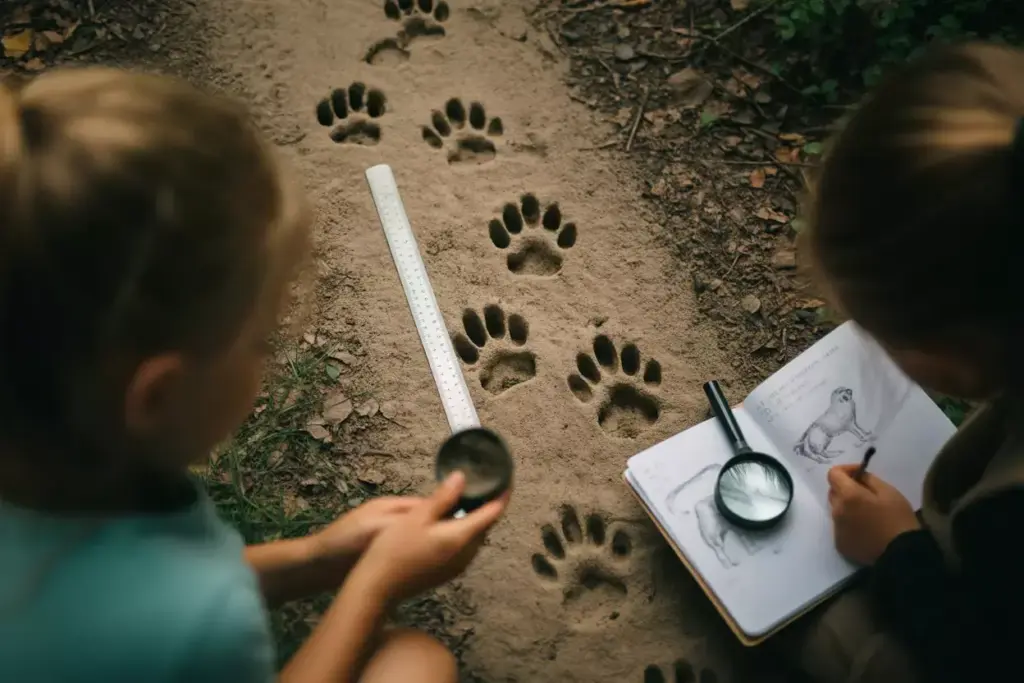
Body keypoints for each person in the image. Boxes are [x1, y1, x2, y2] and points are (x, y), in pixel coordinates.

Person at [0, 68, 508, 683]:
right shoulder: (203, 622)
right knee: (416, 664)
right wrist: (373, 587)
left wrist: (316, 560)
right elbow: (174, 598)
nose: (269, 359)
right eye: (261, 340)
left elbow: (131, 581)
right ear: (158, 396)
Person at [788, 42, 1024, 683]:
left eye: (878, 337)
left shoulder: (1010, 520)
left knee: (837, 636)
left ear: (956, 355)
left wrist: (899, 553)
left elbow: (982, 655)